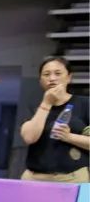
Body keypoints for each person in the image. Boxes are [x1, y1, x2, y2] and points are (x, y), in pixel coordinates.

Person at [19, 55, 89, 183]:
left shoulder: (85, 104)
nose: (52, 78)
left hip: (71, 178)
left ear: (69, 77)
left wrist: (69, 137)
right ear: (40, 80)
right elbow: (29, 137)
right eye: (46, 74)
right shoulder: (33, 105)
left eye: (58, 73)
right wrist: (46, 103)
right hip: (34, 177)